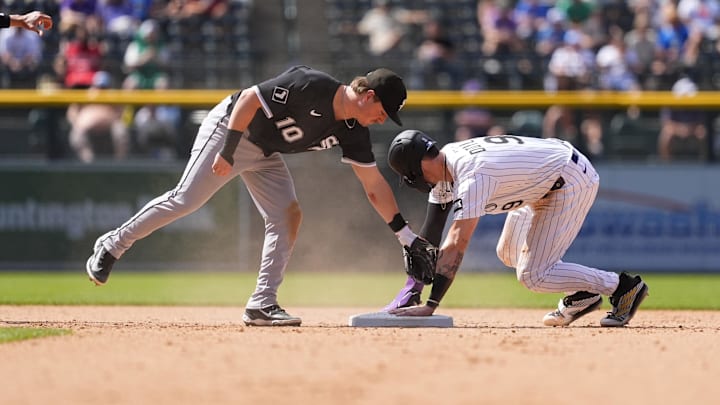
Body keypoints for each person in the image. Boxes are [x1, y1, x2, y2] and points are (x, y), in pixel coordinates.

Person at [86, 65, 421, 327]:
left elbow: (373, 185)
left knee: (287, 214)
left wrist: (405, 235)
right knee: (185, 199)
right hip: (232, 128)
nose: (382, 119)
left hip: (265, 151)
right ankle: (112, 244)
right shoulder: (311, 84)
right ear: (369, 95)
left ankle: (262, 303)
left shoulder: (354, 132)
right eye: (384, 111)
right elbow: (247, 99)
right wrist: (228, 151)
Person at [383, 130, 649, 328]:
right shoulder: (445, 162)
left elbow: (457, 241)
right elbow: (432, 231)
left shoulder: (472, 175)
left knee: (534, 276)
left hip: (569, 180)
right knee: (508, 252)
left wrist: (431, 305)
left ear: (416, 169)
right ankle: (583, 294)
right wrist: (413, 289)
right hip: (539, 180)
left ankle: (622, 287)